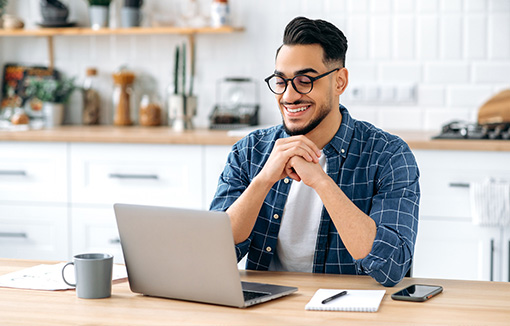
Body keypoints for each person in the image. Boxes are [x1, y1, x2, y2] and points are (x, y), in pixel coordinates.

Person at [210, 16, 420, 287]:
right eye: (281, 81)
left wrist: (321, 182)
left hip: (348, 311)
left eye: (304, 80)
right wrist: (263, 180)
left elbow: (392, 266)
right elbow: (216, 253)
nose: (288, 96)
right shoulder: (248, 152)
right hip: (266, 310)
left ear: (339, 82)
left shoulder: (389, 156)